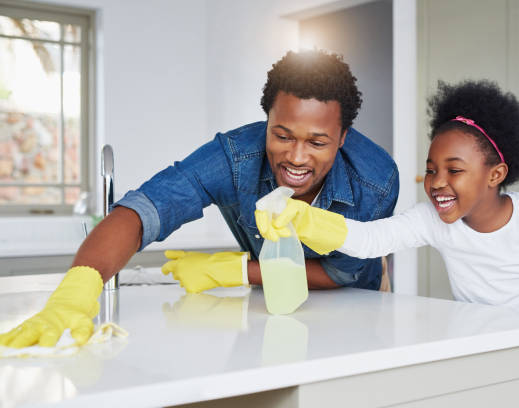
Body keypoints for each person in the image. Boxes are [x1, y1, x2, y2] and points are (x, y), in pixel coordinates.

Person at [0, 50, 399, 348]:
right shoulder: (234, 157)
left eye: (317, 142)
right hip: (273, 310)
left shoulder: (376, 181)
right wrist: (78, 286)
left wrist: (234, 271)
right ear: (266, 122)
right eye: (282, 135)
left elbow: (340, 274)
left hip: (354, 305)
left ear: (343, 137)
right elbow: (145, 210)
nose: (296, 156)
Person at [257, 80, 519, 408]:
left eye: (454, 170)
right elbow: (372, 239)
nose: (437, 182)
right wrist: (305, 220)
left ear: (495, 174)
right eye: (431, 170)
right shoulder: (435, 221)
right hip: (485, 366)